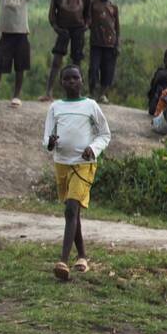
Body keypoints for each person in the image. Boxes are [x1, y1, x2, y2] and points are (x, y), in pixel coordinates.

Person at [43, 64, 111, 281]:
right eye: (67, 79)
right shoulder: (55, 107)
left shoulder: (91, 105)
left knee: (71, 209)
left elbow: (105, 134)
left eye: (75, 78)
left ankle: (63, 261)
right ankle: (82, 256)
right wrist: (51, 143)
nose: (72, 82)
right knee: (73, 212)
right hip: (61, 163)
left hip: (84, 164)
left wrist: (94, 148)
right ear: (61, 83)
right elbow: (46, 137)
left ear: (82, 80)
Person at [44, 0, 91, 101]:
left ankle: (76, 94)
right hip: (62, 30)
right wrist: (55, 27)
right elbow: (52, 11)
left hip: (79, 30)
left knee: (76, 62)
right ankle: (49, 92)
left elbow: (88, 14)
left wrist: (86, 26)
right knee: (57, 60)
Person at [88, 0, 120, 104]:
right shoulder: (93, 4)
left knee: (108, 70)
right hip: (96, 43)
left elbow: (117, 27)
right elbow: (88, 20)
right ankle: (92, 93)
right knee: (94, 68)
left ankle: (102, 94)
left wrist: (117, 44)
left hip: (110, 44)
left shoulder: (113, 7)